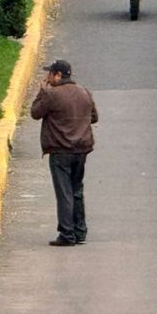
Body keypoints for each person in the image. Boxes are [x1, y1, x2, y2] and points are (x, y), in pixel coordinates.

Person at [31, 60, 98, 248]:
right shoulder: (84, 92)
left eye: (50, 74)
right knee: (76, 190)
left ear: (58, 75)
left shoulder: (51, 94)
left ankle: (67, 233)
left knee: (64, 192)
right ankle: (80, 231)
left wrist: (42, 91)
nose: (47, 78)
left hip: (60, 150)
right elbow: (94, 117)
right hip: (81, 149)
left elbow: (35, 113)